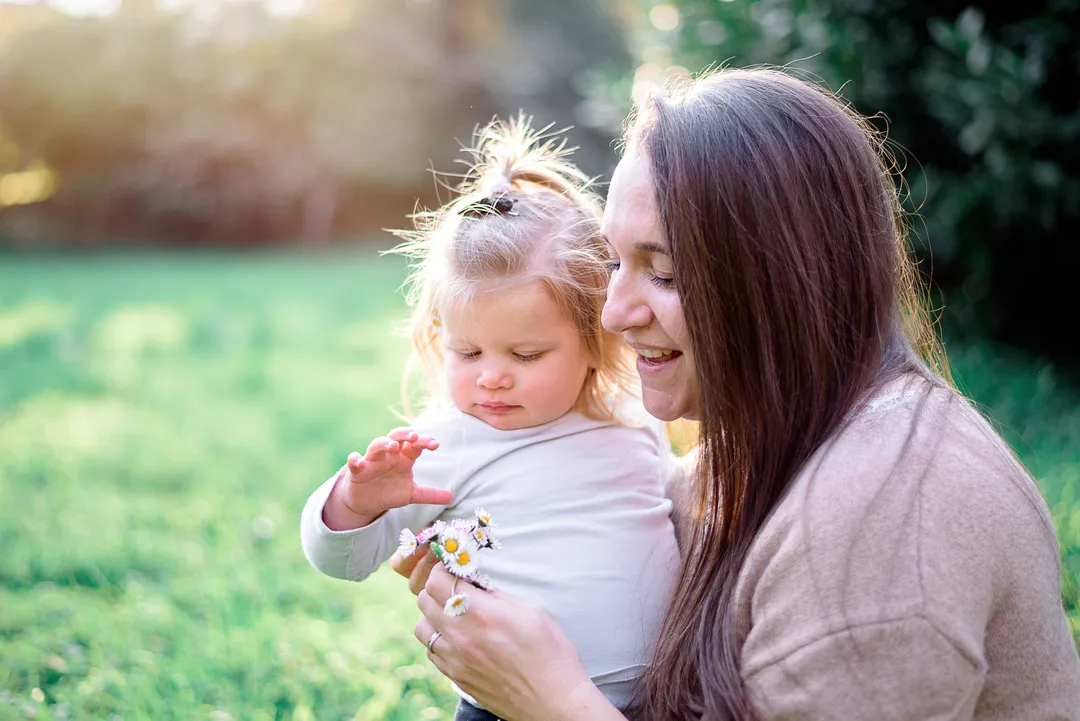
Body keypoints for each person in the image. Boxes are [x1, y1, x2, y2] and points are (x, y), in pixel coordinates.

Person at [397, 68, 1080, 719]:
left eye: (662, 274)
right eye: (612, 262)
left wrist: (550, 698)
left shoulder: (881, 540)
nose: (612, 313)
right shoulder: (757, 448)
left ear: (781, 283)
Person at [299, 117, 684, 721]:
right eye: (468, 352)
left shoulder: (631, 419)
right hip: (508, 707)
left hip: (659, 701)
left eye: (525, 355)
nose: (492, 377)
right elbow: (340, 561)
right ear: (438, 338)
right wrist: (355, 501)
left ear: (594, 340)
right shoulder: (445, 445)